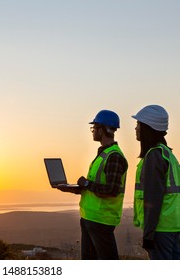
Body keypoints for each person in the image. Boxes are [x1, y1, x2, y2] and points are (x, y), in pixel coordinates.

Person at [54, 110, 128, 259]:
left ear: (101, 129)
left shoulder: (113, 156)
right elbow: (94, 188)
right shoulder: (103, 154)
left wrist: (86, 183)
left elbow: (111, 190)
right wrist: (71, 189)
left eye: (94, 128)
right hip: (90, 219)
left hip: (101, 220)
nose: (93, 131)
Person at [132, 105, 180, 260]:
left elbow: (153, 199)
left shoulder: (154, 156)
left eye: (138, 125)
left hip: (161, 230)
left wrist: (148, 233)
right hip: (174, 228)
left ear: (147, 128)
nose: (136, 128)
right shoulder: (169, 155)